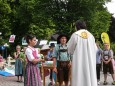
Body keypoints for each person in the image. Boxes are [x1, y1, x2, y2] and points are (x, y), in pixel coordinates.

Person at [67, 20, 97, 86]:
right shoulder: (91, 36)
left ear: (77, 26)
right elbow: (95, 49)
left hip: (79, 61)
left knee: (79, 77)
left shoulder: (75, 35)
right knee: (90, 77)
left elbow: (69, 49)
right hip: (90, 62)